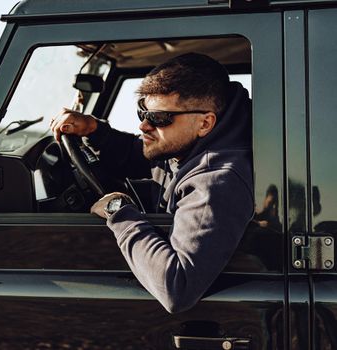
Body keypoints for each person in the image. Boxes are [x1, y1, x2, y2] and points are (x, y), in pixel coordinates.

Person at [50, 53, 254, 313]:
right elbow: (145, 156)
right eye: (142, 112)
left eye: (159, 118)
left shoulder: (215, 181)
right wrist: (94, 130)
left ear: (205, 122)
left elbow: (177, 287)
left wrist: (117, 211)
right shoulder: (189, 146)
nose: (144, 126)